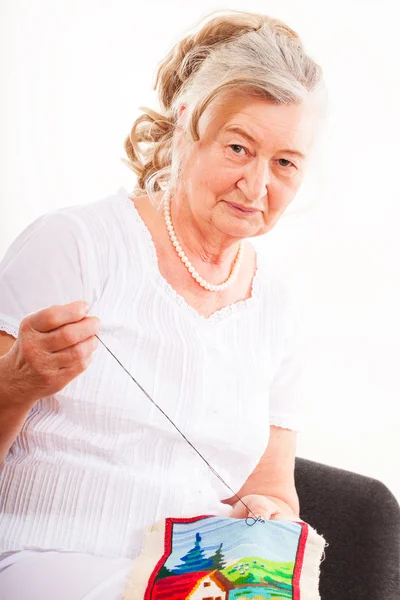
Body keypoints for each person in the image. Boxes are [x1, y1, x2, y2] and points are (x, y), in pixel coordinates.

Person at [0, 9, 327, 599]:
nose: (256, 187)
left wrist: (263, 516)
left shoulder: (279, 306)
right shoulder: (75, 246)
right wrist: (16, 383)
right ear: (185, 126)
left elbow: (274, 489)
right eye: (237, 147)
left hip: (193, 578)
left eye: (284, 163)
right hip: (52, 559)